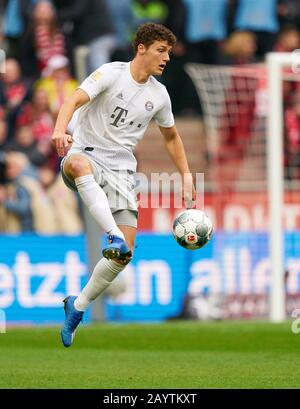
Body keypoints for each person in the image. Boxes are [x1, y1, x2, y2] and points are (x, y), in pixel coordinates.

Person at [51, 22, 196, 347]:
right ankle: (112, 234)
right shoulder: (110, 73)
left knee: (123, 256)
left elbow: (171, 137)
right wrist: (61, 130)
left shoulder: (158, 95)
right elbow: (72, 100)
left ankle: (77, 307)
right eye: (161, 50)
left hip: (121, 172)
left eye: (169, 52)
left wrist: (186, 174)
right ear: (141, 48)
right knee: (76, 164)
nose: (167, 58)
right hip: (85, 152)